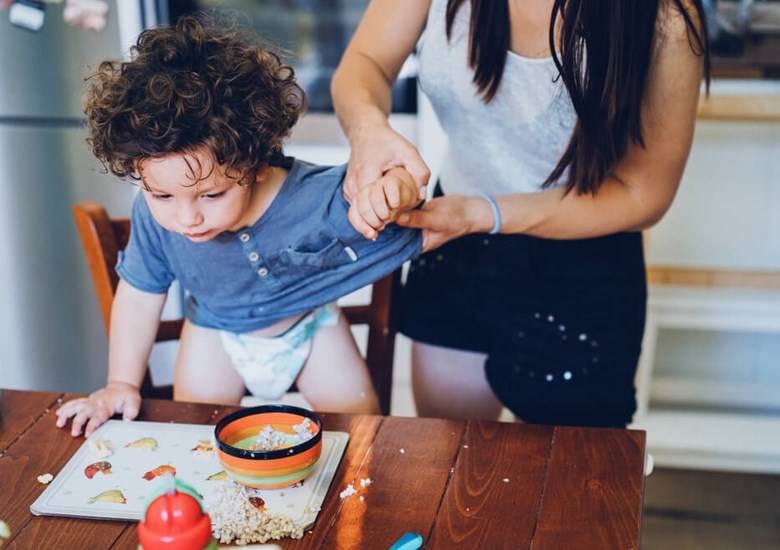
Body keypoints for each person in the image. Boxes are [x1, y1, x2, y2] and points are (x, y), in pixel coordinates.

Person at [332, 0, 710, 427]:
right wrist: (369, 130)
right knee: (452, 463)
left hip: (582, 263)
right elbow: (366, 63)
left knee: (572, 482)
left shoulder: (664, 19)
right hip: (455, 242)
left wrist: (484, 213)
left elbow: (643, 194)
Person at [56, 16, 422, 437]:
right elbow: (139, 297)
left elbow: (391, 190)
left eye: (211, 196)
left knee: (362, 434)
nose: (186, 217)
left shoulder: (314, 196)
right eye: (163, 196)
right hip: (214, 333)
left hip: (309, 328)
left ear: (256, 164)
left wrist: (396, 188)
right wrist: (121, 382)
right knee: (194, 435)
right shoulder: (153, 217)